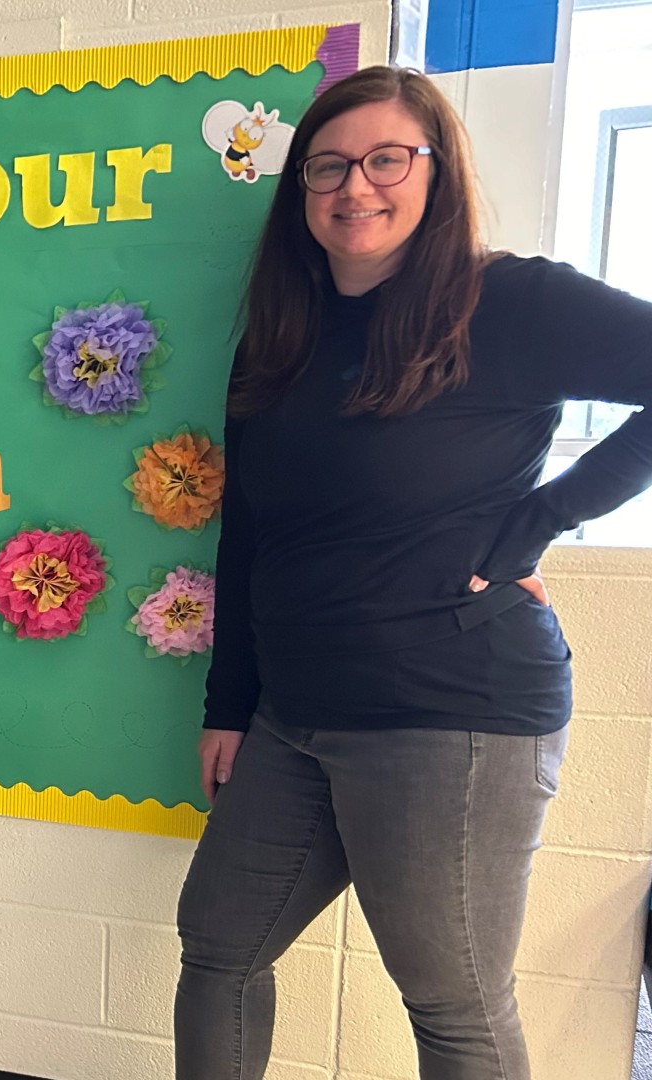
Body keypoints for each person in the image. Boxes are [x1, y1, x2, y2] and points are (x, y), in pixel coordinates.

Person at [177, 66, 652, 1079]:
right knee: (218, 949)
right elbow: (250, 531)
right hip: (293, 714)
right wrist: (230, 702)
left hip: (454, 711)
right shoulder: (281, 334)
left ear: (436, 168)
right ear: (299, 192)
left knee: (450, 1002)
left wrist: (541, 523)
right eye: (329, 168)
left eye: (387, 158)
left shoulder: (510, 301)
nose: (357, 187)